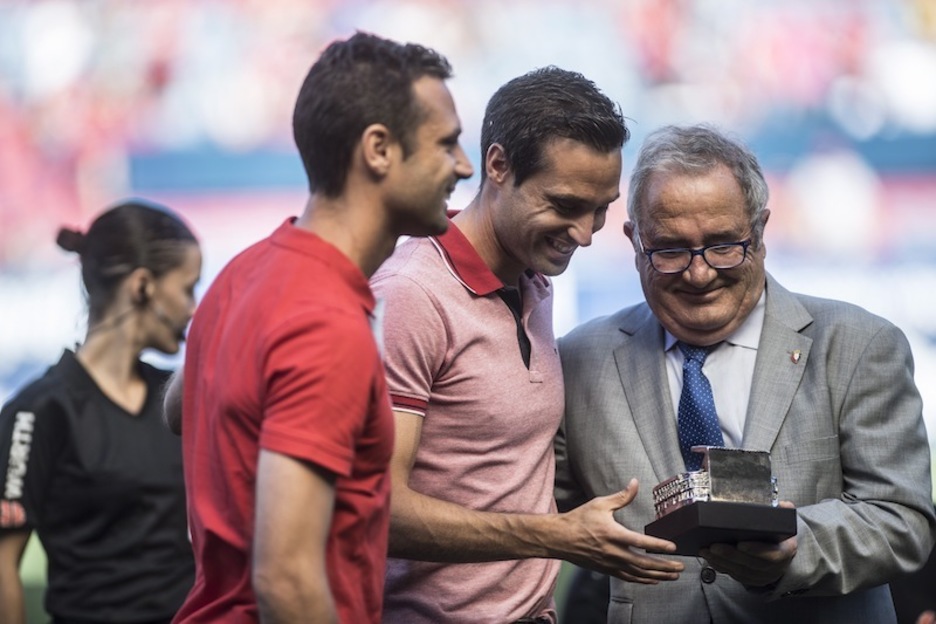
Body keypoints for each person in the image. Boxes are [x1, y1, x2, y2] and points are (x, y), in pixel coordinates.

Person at [555, 123, 936, 623]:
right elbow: (530, 512)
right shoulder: (580, 358)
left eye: (723, 245)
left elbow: (903, 519)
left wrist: (796, 546)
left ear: (760, 230)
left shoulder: (859, 345)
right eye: (670, 249)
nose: (699, 272)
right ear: (633, 240)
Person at [170, 32, 473, 624]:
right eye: (447, 144)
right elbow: (286, 577)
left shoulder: (246, 272)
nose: (462, 166)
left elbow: (178, 407)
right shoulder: (325, 320)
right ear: (379, 149)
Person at [371, 66, 683, 624]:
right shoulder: (411, 295)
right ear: (497, 165)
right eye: (565, 204)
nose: (585, 233)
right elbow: (377, 507)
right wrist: (556, 537)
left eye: (601, 208)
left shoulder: (534, 278)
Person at [0, 199, 200, 624]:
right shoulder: (38, 412)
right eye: (187, 288)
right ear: (142, 285)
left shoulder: (179, 400)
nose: (193, 308)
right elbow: (3, 568)